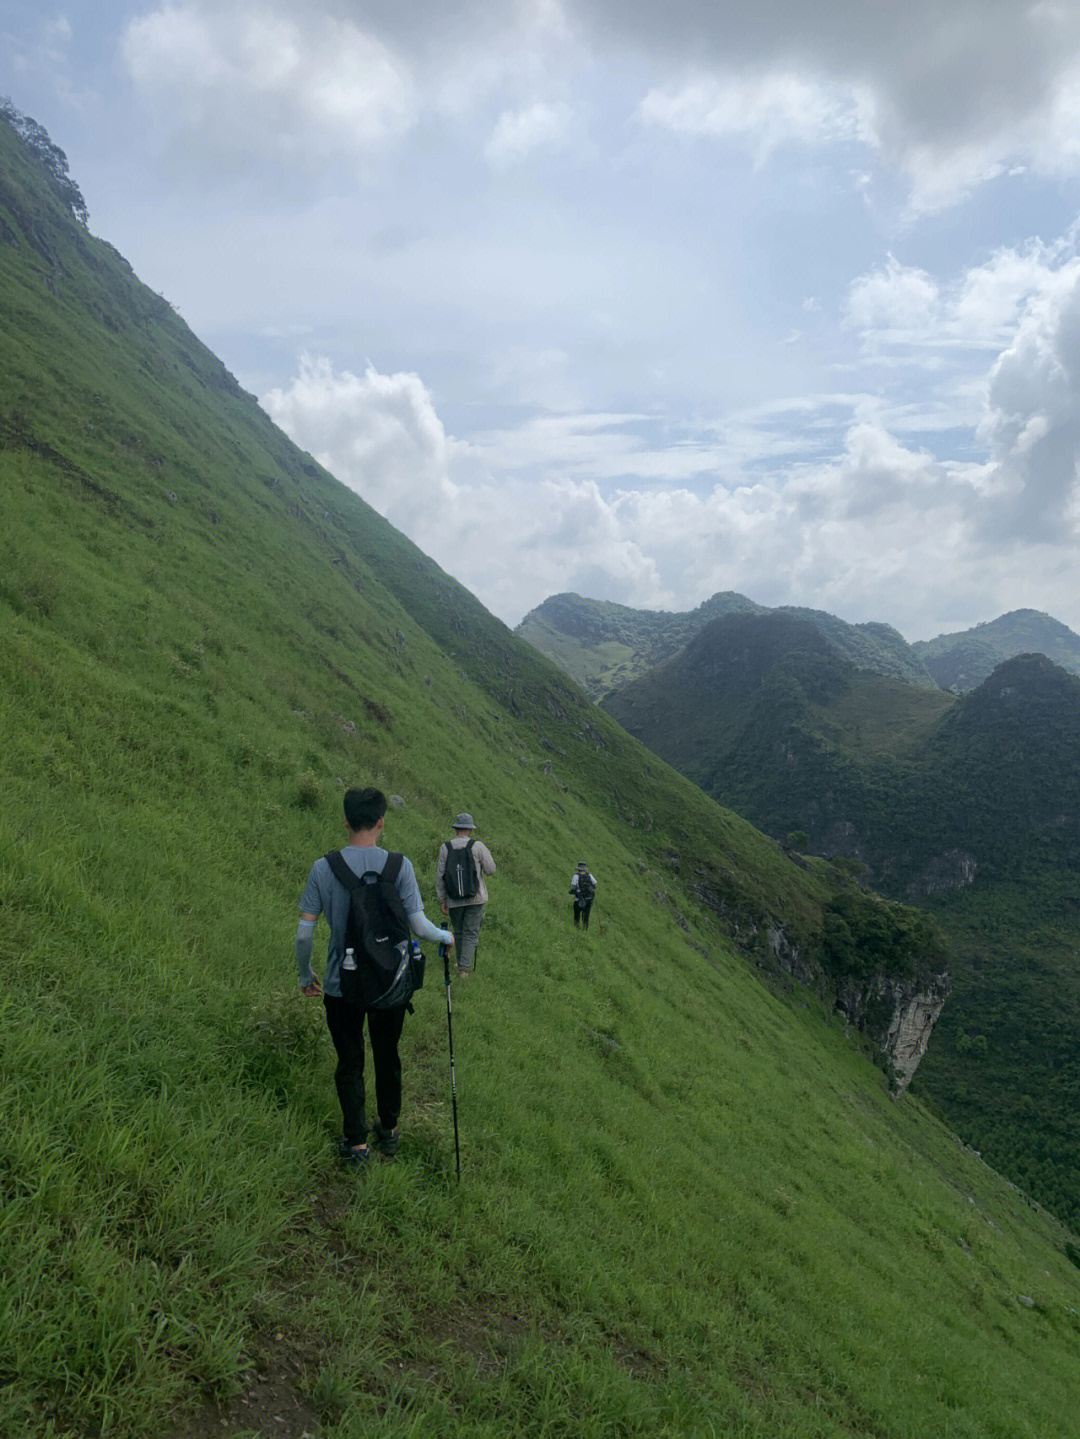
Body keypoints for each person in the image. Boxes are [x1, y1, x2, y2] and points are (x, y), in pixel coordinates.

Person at [295, 787, 454, 1169]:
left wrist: (305, 974)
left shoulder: (324, 868)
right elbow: (418, 924)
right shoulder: (400, 867)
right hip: (389, 984)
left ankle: (356, 1145)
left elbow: (305, 933)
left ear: (345, 822)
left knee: (349, 1061)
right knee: (388, 1054)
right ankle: (389, 1129)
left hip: (340, 984)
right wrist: (447, 936)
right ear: (382, 822)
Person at [436, 811, 496, 980]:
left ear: (455, 828)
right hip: (475, 898)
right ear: (470, 829)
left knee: (459, 931)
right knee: (471, 932)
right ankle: (464, 969)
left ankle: (460, 963)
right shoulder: (477, 846)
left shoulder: (445, 848)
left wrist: (442, 899)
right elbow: (491, 870)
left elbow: (440, 876)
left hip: (454, 899)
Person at [569, 861, 597, 930]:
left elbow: (574, 887)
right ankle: (585, 929)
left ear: (578, 869)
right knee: (586, 916)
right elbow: (595, 886)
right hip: (589, 899)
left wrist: (572, 892)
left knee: (577, 914)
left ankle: (576, 928)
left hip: (579, 899)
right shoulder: (589, 875)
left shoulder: (576, 876)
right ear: (585, 869)